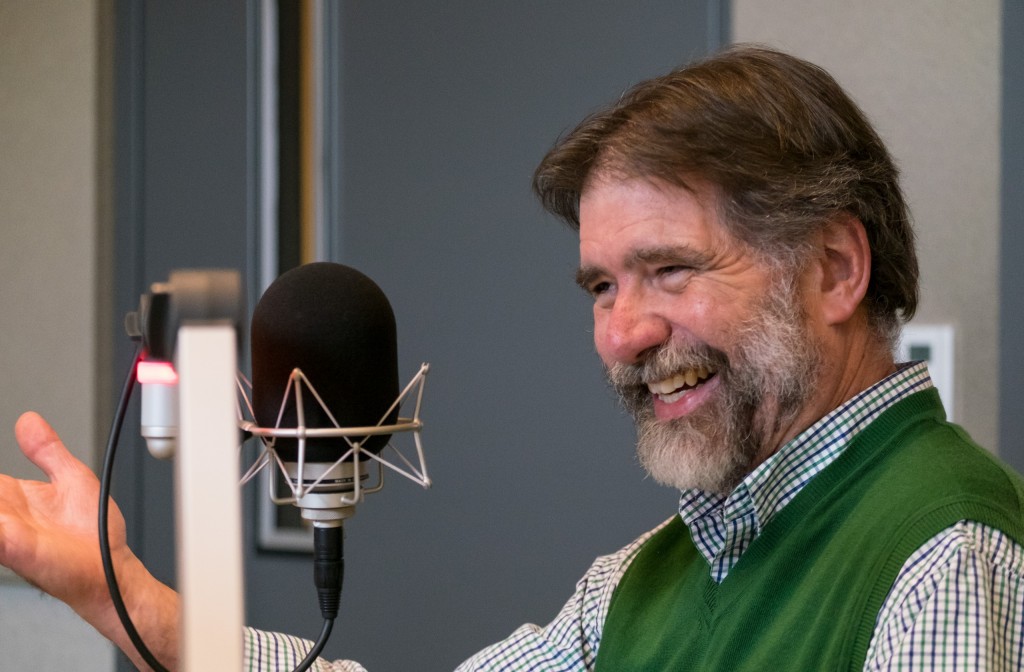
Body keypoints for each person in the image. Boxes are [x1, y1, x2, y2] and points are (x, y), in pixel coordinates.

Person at [1, 44, 1023, 671]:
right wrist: (120, 592)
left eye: (668, 270)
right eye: (600, 287)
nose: (623, 334)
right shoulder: (650, 578)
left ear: (835, 269)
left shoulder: (940, 558)